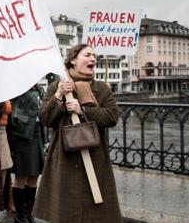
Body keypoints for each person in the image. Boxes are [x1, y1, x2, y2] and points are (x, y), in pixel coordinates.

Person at [33, 44, 122, 223]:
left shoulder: (102, 88)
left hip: (95, 158)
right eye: (88, 55)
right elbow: (45, 119)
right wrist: (58, 96)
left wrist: (84, 112)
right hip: (64, 158)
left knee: (95, 214)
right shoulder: (56, 87)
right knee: (65, 212)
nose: (93, 59)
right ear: (73, 60)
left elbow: (112, 117)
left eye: (94, 56)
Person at [10, 84, 45, 223]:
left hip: (37, 133)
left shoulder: (38, 89)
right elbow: (15, 108)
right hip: (23, 133)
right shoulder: (18, 86)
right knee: (22, 175)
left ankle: (27, 212)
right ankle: (19, 215)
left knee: (34, 174)